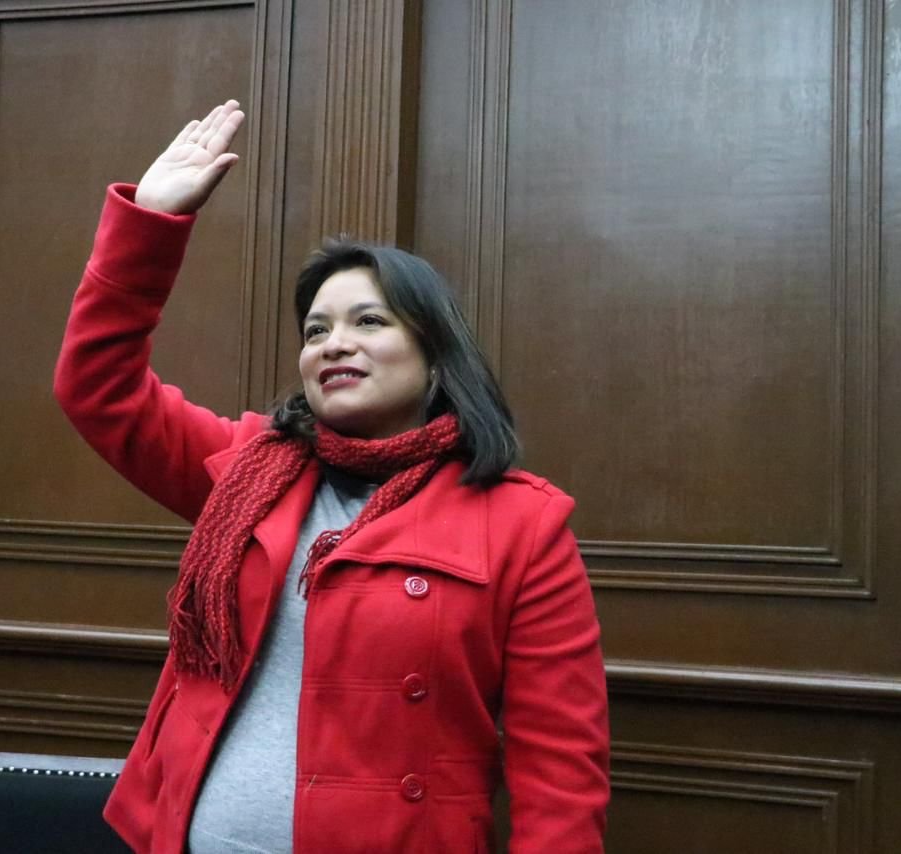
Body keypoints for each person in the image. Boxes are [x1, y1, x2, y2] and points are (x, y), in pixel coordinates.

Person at [54, 100, 609, 853]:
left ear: (436, 357)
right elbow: (99, 389)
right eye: (316, 330)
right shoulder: (249, 470)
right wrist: (151, 225)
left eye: (368, 322)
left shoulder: (521, 526)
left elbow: (561, 779)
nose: (332, 344)